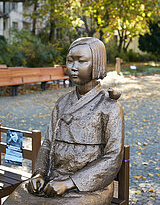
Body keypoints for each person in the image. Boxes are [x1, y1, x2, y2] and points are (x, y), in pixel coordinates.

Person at [5, 37, 124, 205]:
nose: (73, 68)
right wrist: (39, 174)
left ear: (97, 64)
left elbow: (113, 157)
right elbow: (48, 143)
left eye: (81, 62)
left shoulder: (109, 107)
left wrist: (69, 183)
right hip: (52, 179)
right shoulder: (62, 103)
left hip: (89, 188)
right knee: (14, 200)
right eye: (70, 61)